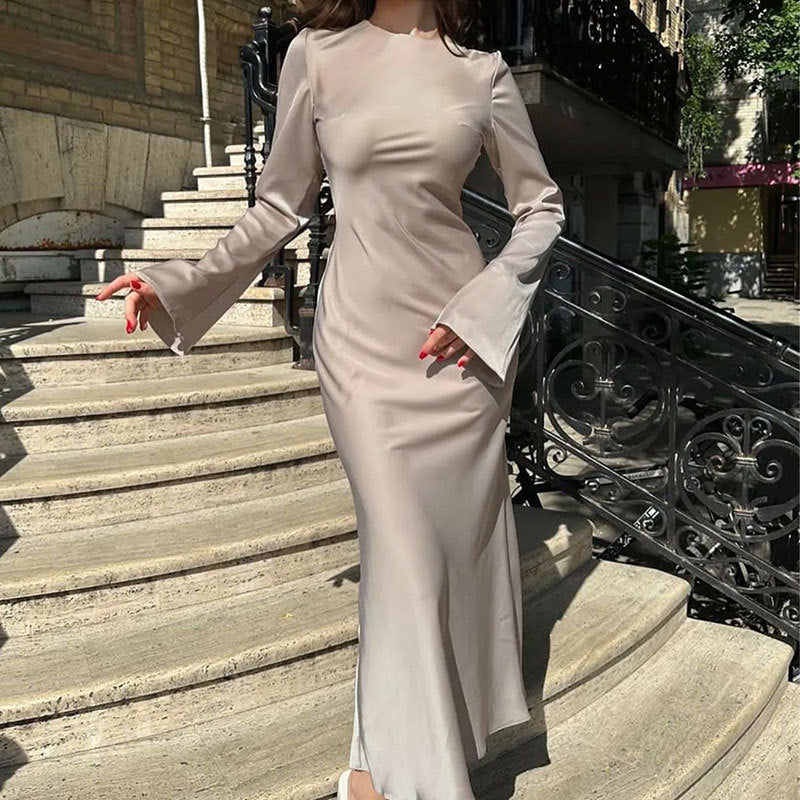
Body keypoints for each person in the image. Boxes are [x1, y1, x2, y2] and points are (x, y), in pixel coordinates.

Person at [96, 1, 566, 798]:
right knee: (405, 555)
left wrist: (488, 306)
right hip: (361, 345)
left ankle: (372, 768)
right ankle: (422, 782)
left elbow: (541, 208)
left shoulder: (481, 72)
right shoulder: (316, 53)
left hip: (458, 350)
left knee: (433, 563)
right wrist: (178, 281)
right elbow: (278, 206)